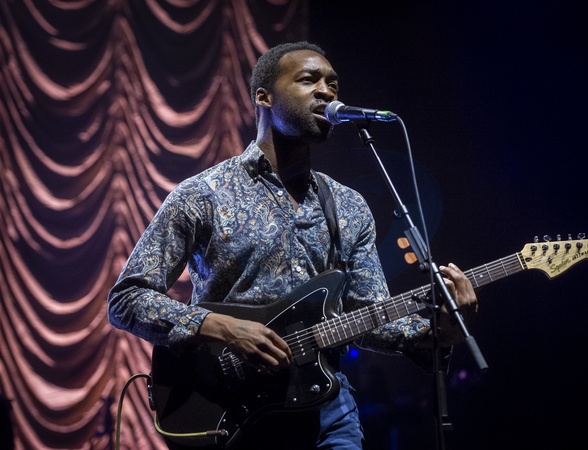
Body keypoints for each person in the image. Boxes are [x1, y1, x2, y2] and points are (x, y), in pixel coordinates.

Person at [108, 41, 478, 450]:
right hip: (234, 411)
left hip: (327, 411)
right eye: (308, 80)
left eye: (333, 84)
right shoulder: (203, 194)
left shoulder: (349, 206)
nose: (326, 91)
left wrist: (439, 330)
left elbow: (370, 317)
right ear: (264, 97)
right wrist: (223, 327)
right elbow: (127, 299)